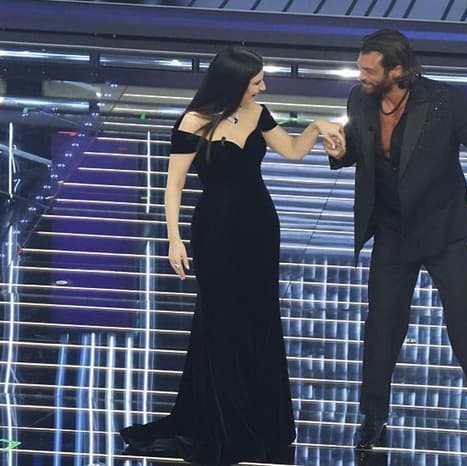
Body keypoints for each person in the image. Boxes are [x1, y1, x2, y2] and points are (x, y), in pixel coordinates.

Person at [119, 46, 344, 465]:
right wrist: (174, 239)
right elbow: (174, 184)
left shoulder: (258, 113)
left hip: (259, 228)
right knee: (220, 321)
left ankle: (260, 419)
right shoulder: (193, 122)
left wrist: (316, 126)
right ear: (234, 82)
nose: (263, 87)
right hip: (215, 231)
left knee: (259, 319)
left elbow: (293, 151)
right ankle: (223, 423)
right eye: (256, 82)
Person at [324, 28, 467, 453]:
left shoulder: (444, 100)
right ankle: (372, 416)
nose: (360, 76)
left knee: (466, 324)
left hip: (443, 230)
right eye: (360, 68)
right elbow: (358, 149)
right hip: (392, 231)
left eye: (369, 70)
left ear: (397, 70)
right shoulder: (360, 99)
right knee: (382, 325)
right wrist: (339, 153)